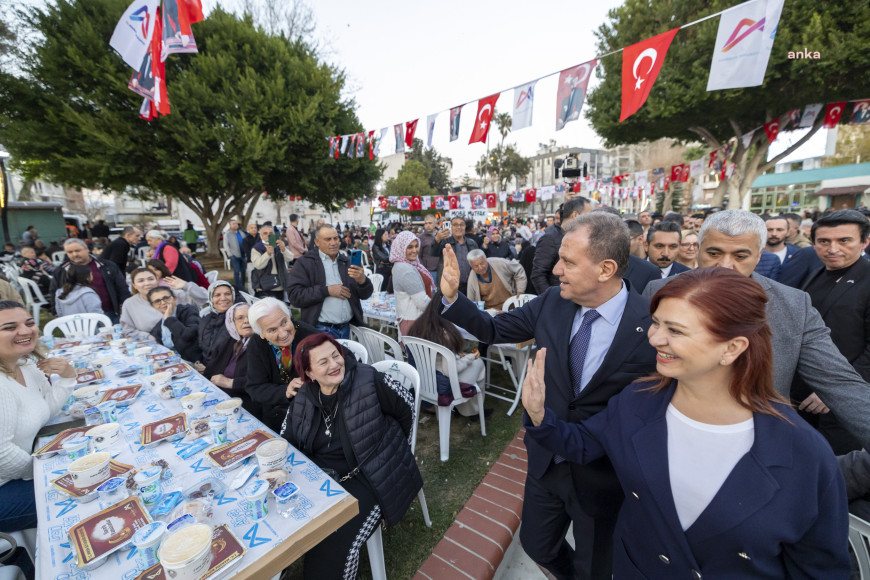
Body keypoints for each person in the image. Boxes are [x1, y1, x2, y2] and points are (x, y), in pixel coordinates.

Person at [523, 268, 849, 579]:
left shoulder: (804, 454)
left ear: (732, 348)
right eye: (656, 323)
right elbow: (583, 444)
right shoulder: (637, 401)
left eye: (675, 330)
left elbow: (819, 568)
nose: (655, 339)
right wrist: (540, 417)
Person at [439, 212, 657, 579]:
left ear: (605, 269)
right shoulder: (552, 301)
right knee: (539, 545)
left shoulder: (649, 330)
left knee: (596, 569)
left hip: (601, 476)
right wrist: (453, 298)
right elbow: (492, 329)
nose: (556, 269)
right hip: (547, 462)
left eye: (568, 261)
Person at [643, 210, 870, 450]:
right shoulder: (660, 291)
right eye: (714, 253)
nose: (726, 266)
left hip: (761, 441)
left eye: (740, 255)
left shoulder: (793, 304)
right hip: (672, 433)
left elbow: (841, 383)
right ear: (698, 249)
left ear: (759, 255)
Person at [279, 332, 422, 580]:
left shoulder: (369, 379)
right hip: (320, 476)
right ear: (310, 374)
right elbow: (287, 438)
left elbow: (407, 408)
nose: (335, 364)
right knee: (287, 519)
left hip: (369, 475)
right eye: (323, 362)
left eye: (336, 355)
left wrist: (402, 451)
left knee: (336, 539)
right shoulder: (304, 395)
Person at [793, 210, 870, 454]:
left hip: (843, 406)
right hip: (800, 399)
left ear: (864, 242)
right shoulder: (815, 275)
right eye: (824, 241)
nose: (832, 249)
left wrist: (835, 392)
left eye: (844, 241)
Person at [0, 301, 76, 534]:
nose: (25, 331)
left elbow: (45, 411)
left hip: (26, 466)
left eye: (29, 323)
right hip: (7, 485)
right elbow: (2, 453)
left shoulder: (26, 364)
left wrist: (67, 376)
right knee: (83, 495)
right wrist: (45, 473)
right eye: (10, 327)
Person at [245, 298, 335, 431]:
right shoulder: (257, 344)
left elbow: (345, 359)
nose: (283, 333)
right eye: (272, 330)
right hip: (276, 415)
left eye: (284, 322)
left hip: (313, 414)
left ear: (289, 316)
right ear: (262, 334)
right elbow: (255, 388)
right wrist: (285, 391)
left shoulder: (309, 335)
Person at [286, 225, 373, 340]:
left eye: (336, 238)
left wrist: (362, 281)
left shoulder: (346, 261)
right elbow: (294, 296)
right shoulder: (305, 263)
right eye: (328, 239)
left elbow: (365, 295)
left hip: (347, 328)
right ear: (317, 242)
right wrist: (327, 291)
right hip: (320, 329)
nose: (333, 243)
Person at [406, 298, 488, 417]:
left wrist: (456, 356)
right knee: (479, 363)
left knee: (472, 364)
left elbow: (439, 357)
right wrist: (470, 357)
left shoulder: (418, 327)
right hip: (443, 384)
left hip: (424, 381)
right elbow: (450, 370)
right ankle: (471, 411)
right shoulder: (444, 333)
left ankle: (469, 407)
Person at [202, 302, 260, 420]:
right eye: (240, 318)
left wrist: (230, 382)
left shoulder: (263, 343)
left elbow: (262, 380)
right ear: (232, 323)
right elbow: (211, 370)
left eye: (249, 317)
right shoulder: (228, 342)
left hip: (247, 404)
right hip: (221, 398)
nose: (246, 321)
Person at [52, 238, 130, 323]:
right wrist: (56, 313)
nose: (74, 254)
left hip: (111, 312)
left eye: (78, 250)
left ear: (87, 249)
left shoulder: (107, 265)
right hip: (78, 318)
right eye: (70, 252)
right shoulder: (61, 271)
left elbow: (122, 287)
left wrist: (126, 306)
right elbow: (54, 292)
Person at [531, 197, 590, 294]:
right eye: (588, 215)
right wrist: (551, 299)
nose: (591, 220)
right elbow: (538, 274)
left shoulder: (578, 236)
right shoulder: (550, 237)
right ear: (575, 215)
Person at [389, 231, 435, 337]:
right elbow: (422, 302)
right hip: (414, 322)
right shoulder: (406, 269)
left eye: (416, 246)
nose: (415, 250)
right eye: (409, 247)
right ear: (401, 248)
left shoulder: (406, 264)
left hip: (413, 320)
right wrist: (439, 310)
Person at [147, 286, 203, 363]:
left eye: (166, 298)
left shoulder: (188, 311)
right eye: (157, 301)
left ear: (175, 298)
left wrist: (169, 319)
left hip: (195, 363)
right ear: (152, 306)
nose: (163, 302)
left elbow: (188, 335)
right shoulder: (160, 325)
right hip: (172, 363)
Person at [430, 216, 480, 292]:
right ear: (451, 227)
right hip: (449, 286)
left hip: (469, 286)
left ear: (465, 227)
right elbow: (433, 253)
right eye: (455, 224)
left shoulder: (472, 243)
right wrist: (437, 239)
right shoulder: (445, 242)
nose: (459, 227)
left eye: (462, 224)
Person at [197, 281, 238, 370]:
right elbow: (200, 347)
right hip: (204, 370)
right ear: (211, 298)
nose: (223, 298)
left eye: (227, 294)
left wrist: (209, 370)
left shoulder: (238, 319)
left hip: (225, 373)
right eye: (217, 295)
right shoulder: (206, 318)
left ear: (233, 296)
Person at [250, 225, 293, 299]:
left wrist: (283, 249)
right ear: (261, 236)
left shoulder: (279, 245)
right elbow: (258, 265)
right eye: (265, 233)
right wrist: (268, 254)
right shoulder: (257, 248)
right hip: (264, 285)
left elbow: (290, 258)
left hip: (279, 284)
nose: (268, 235)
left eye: (271, 233)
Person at [120, 267, 164, 337]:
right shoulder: (129, 304)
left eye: (151, 279)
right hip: (151, 343)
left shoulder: (173, 296)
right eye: (141, 281)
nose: (147, 283)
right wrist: (150, 337)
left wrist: (185, 286)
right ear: (134, 285)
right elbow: (128, 330)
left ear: (157, 281)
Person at [222, 219, 246, 289]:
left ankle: (243, 286)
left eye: (236, 223)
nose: (235, 225)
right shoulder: (227, 234)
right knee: (236, 272)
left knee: (243, 271)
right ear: (230, 225)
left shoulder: (242, 233)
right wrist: (230, 254)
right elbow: (226, 245)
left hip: (243, 255)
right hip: (234, 256)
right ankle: (237, 287)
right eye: (233, 224)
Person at [417, 215, 441, 280]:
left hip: (441, 270)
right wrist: (423, 270)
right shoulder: (420, 238)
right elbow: (418, 256)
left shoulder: (441, 235)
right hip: (428, 271)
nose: (428, 225)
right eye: (426, 223)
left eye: (430, 223)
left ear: (435, 224)